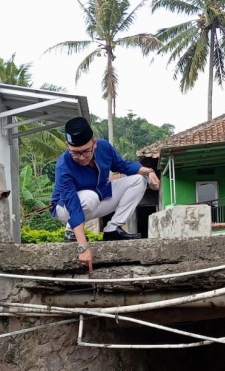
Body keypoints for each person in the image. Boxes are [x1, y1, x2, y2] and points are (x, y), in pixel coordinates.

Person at [50, 116, 160, 273]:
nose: (81, 158)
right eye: (75, 153)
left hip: (98, 198)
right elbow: (73, 207)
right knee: (89, 197)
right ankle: (70, 232)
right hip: (66, 209)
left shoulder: (104, 147)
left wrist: (148, 172)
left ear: (94, 143)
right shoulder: (64, 165)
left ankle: (112, 230)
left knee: (138, 180)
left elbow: (122, 165)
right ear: (67, 145)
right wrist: (83, 247)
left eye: (86, 151)